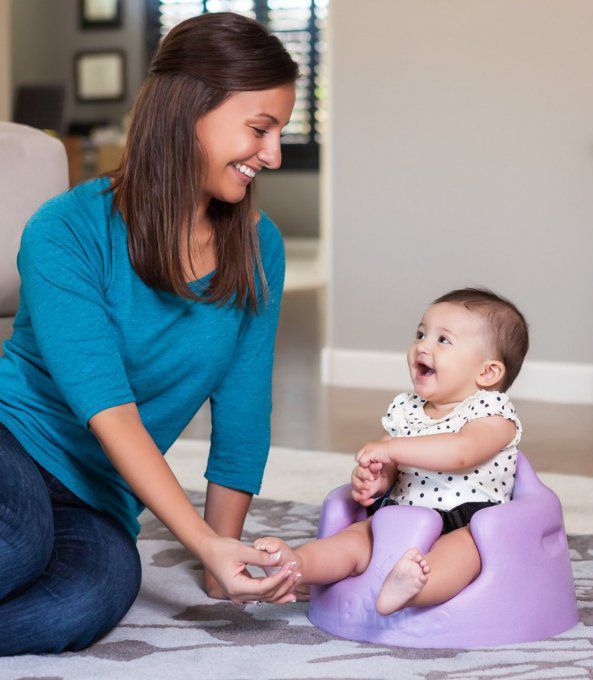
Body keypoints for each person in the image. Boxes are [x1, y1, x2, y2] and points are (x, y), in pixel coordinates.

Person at [0, 12, 303, 655]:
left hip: (96, 493)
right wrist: (198, 538)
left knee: (88, 600)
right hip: (12, 441)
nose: (272, 155)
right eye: (259, 128)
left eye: (280, 132)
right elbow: (106, 408)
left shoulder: (258, 247)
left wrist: (226, 560)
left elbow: (245, 405)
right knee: (17, 544)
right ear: (187, 111)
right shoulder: (65, 231)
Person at [254, 288, 529, 616]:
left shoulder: (493, 412)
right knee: (356, 539)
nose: (422, 346)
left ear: (487, 372)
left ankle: (413, 589)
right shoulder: (407, 410)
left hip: (466, 521)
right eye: (421, 334)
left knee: (465, 553)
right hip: (401, 515)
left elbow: (462, 452)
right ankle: (297, 567)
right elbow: (390, 468)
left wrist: (392, 449)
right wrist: (374, 480)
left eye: (443, 340)